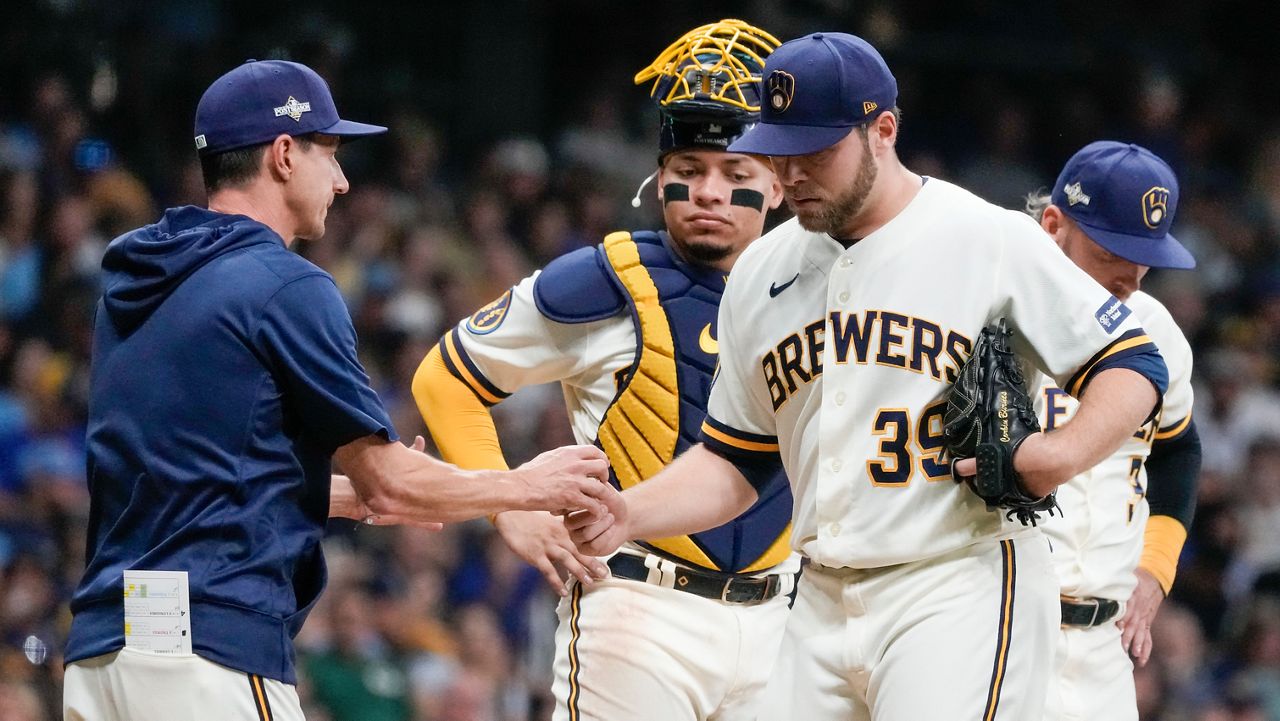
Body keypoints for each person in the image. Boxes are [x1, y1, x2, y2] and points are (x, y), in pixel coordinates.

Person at [568, 32, 1172, 720]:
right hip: (819, 596)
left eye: (814, 149)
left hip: (954, 584)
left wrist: (1058, 455)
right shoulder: (761, 273)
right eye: (778, 148)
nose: (789, 172)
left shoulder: (987, 238)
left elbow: (1132, 361)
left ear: (882, 130)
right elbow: (737, 460)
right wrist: (629, 513)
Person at [62, 59, 617, 721]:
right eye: (331, 154)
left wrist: (321, 494)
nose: (344, 179)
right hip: (207, 648)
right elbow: (389, 479)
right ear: (285, 154)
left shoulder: (138, 278)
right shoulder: (285, 284)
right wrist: (528, 487)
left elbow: (173, 470)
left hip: (103, 650)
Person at [413, 20, 796, 721]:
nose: (709, 191)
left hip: (786, 622)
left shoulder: (823, 283)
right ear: (658, 178)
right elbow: (444, 378)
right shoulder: (604, 281)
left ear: (776, 184)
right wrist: (504, 505)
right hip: (639, 606)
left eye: (735, 175)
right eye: (688, 172)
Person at [1028, 141, 1202, 721]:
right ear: (1054, 225)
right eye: (1111, 252)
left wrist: (1155, 570)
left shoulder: (1157, 330)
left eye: (1144, 255)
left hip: (1103, 647)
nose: (1130, 276)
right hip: (1002, 623)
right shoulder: (994, 314)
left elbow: (1179, 452)